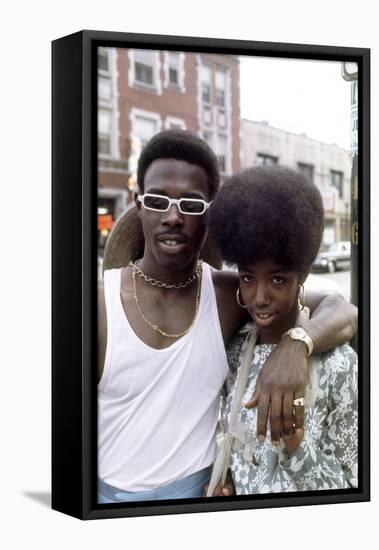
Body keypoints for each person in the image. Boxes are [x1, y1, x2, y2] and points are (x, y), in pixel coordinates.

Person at [97, 130, 357, 503]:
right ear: (139, 204)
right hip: (109, 500)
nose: (173, 216)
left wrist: (297, 344)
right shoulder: (99, 303)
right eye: (158, 200)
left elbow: (341, 308)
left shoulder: (229, 296)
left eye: (190, 204)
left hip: (202, 497)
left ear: (209, 213)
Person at [207, 165, 358, 495]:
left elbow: (353, 489)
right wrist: (228, 477)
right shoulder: (235, 349)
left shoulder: (340, 365)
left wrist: (296, 444)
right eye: (247, 278)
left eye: (277, 279)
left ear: (301, 273)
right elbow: (234, 442)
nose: (259, 297)